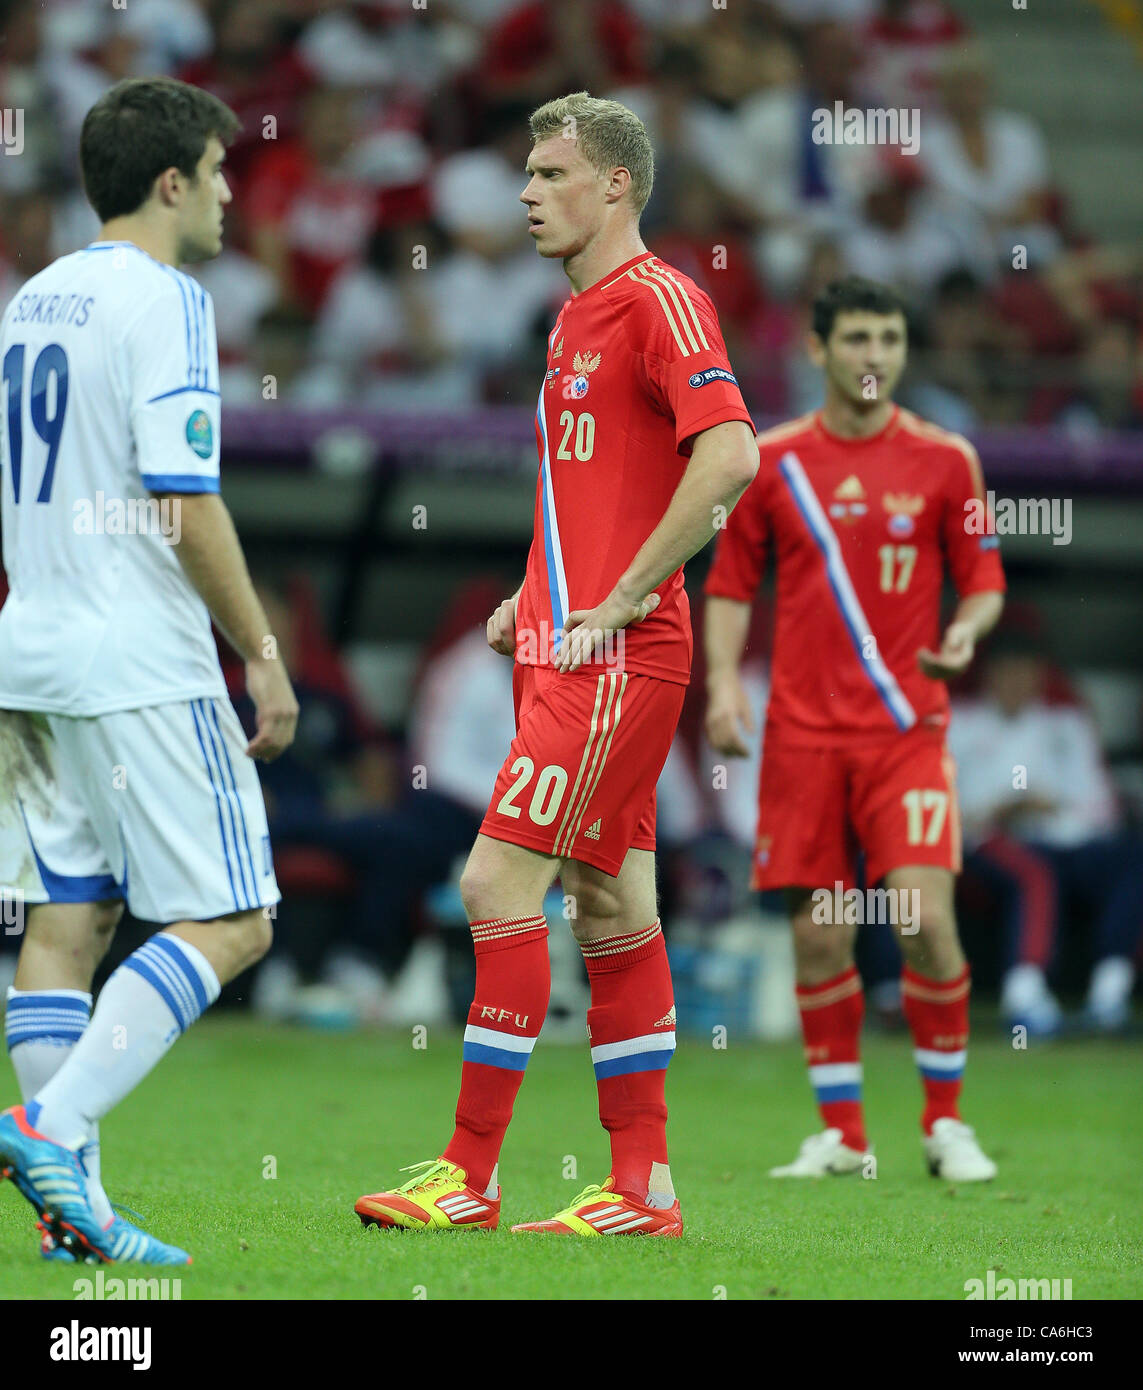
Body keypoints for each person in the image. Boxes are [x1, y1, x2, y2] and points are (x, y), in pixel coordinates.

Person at [354, 91, 757, 1237]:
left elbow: (728, 455)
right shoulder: (573, 317)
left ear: (617, 184)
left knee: (493, 884)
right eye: (526, 174)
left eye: (548, 173)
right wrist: (530, 595)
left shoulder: (663, 301)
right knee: (611, 898)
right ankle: (644, 1190)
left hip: (621, 656)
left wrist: (623, 598)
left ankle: (468, 1175)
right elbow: (587, 491)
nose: (526, 193)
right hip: (563, 640)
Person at [0, 77, 298, 1264]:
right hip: (137, 655)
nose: (231, 194)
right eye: (221, 172)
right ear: (172, 182)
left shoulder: (31, 299)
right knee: (236, 917)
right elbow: (184, 499)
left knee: (69, 918)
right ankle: (49, 1127)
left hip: (32, 648)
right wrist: (261, 655)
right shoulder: (168, 300)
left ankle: (78, 1220)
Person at [703, 275, 1006, 1182]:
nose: (874, 356)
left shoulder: (947, 459)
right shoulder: (771, 459)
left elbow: (984, 579)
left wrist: (965, 630)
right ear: (817, 349)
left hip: (905, 730)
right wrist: (721, 683)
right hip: (799, 736)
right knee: (818, 936)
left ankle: (945, 1123)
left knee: (920, 919)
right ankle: (843, 1135)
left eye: (889, 339)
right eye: (857, 339)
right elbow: (728, 586)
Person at [951, 629, 1142, 1034]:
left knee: (1132, 861)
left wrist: (1050, 805)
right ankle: (1025, 996)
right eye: (1008, 673)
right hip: (987, 842)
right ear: (990, 676)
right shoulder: (961, 723)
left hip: (1064, 838)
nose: (1017, 683)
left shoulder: (1065, 725)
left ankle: (1109, 995)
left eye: (1027, 673)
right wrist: (1001, 810)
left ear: (1041, 676)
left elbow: (1102, 806)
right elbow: (944, 807)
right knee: (1033, 871)